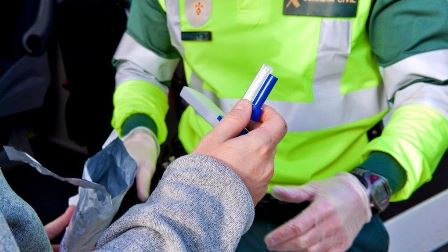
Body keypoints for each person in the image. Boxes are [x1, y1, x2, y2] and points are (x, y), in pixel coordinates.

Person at [111, 0, 448, 251]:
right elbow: (142, 68)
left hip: (331, 208)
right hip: (203, 198)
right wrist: (138, 128)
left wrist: (369, 185)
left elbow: (432, 91)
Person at [0, 100, 287, 251]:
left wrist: (22, 241)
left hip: (318, 204)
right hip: (219, 196)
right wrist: (213, 189)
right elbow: (140, 64)